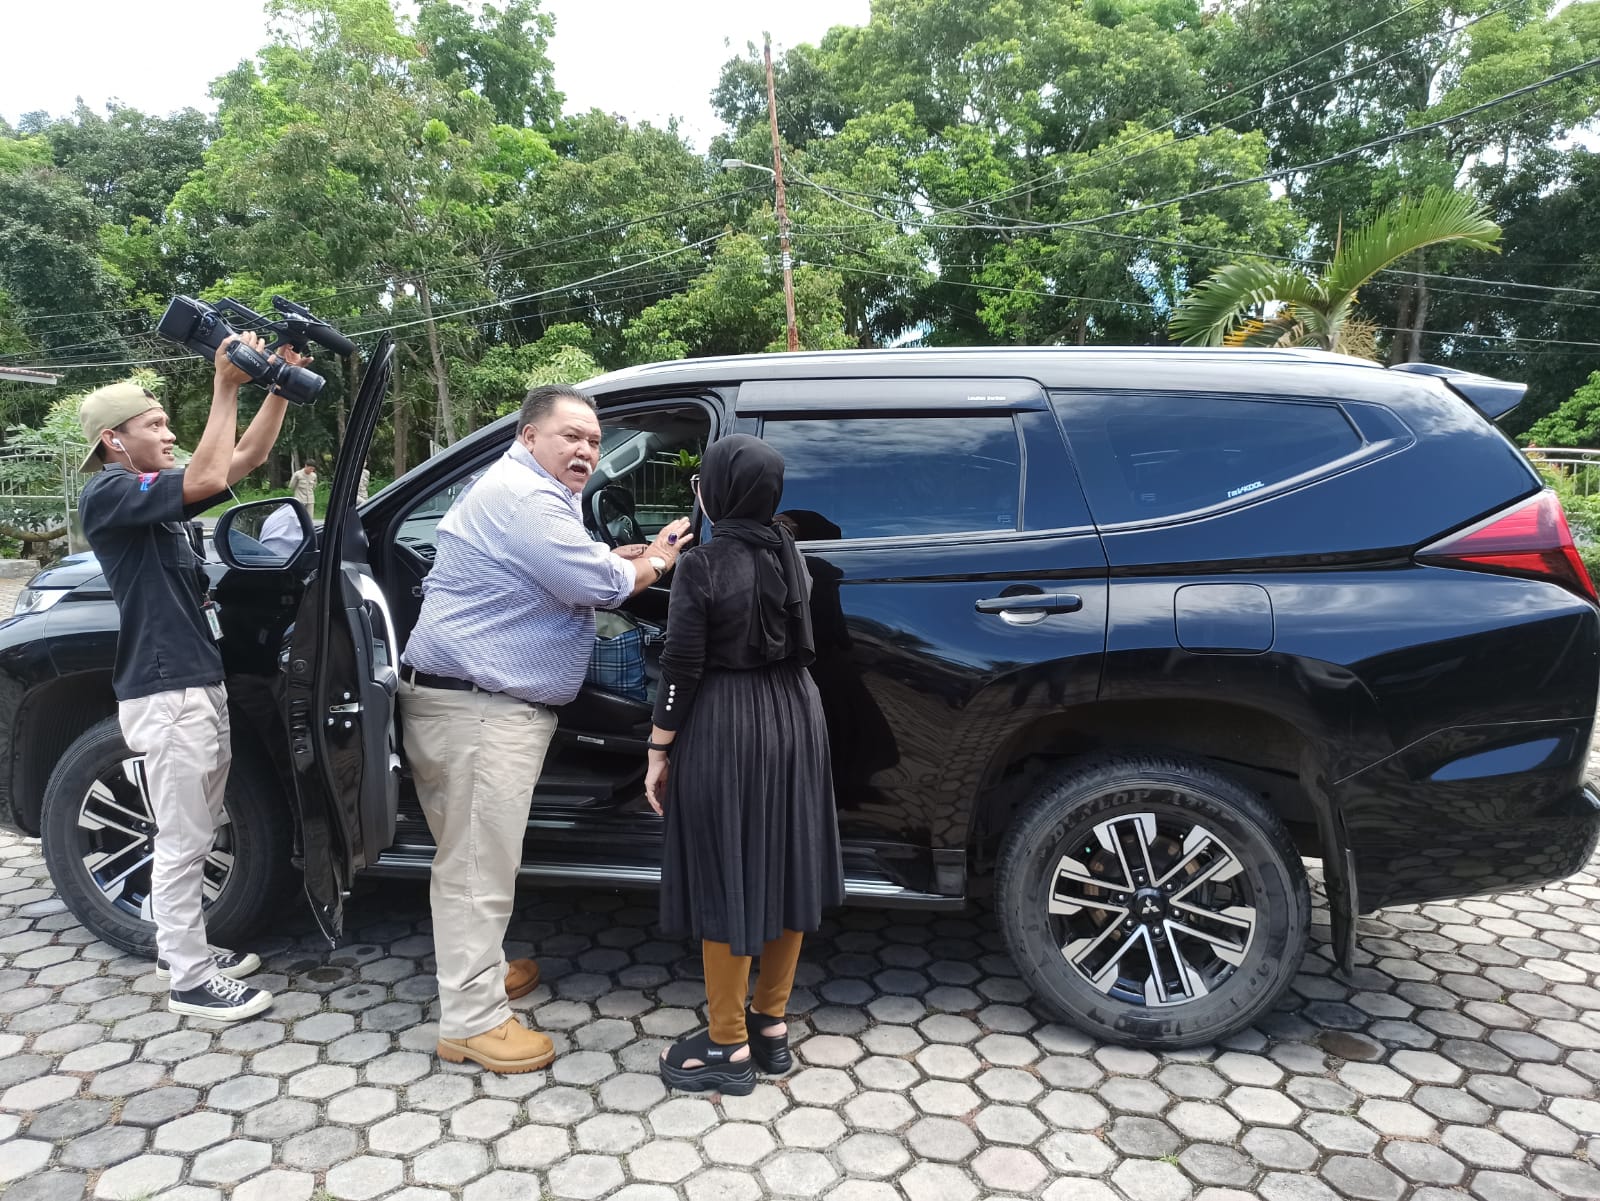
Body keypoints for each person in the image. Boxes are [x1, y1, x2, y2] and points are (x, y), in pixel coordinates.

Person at [400, 384, 691, 1074]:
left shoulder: (529, 494)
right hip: (478, 709)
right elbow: (597, 584)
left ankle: (479, 973)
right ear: (529, 437)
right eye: (572, 436)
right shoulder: (525, 498)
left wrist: (619, 555)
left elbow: (568, 566)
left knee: (477, 856)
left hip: (482, 704)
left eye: (593, 440)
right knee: (476, 867)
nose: (587, 449)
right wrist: (656, 558)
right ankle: (470, 1020)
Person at [77, 333, 308, 1022]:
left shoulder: (155, 502)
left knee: (200, 827)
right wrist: (225, 385)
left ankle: (186, 946)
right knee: (182, 838)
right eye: (154, 424)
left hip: (192, 683)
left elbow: (244, 459)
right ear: (115, 441)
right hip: (166, 690)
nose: (169, 431)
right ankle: (188, 976)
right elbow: (208, 474)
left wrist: (278, 387)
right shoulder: (111, 494)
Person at [646, 434, 844, 1096]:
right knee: (787, 866)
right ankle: (772, 1025)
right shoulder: (792, 553)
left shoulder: (702, 564)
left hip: (729, 723)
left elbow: (681, 665)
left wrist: (658, 748)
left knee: (727, 871)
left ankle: (728, 1044)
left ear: (717, 490)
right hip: (797, 718)